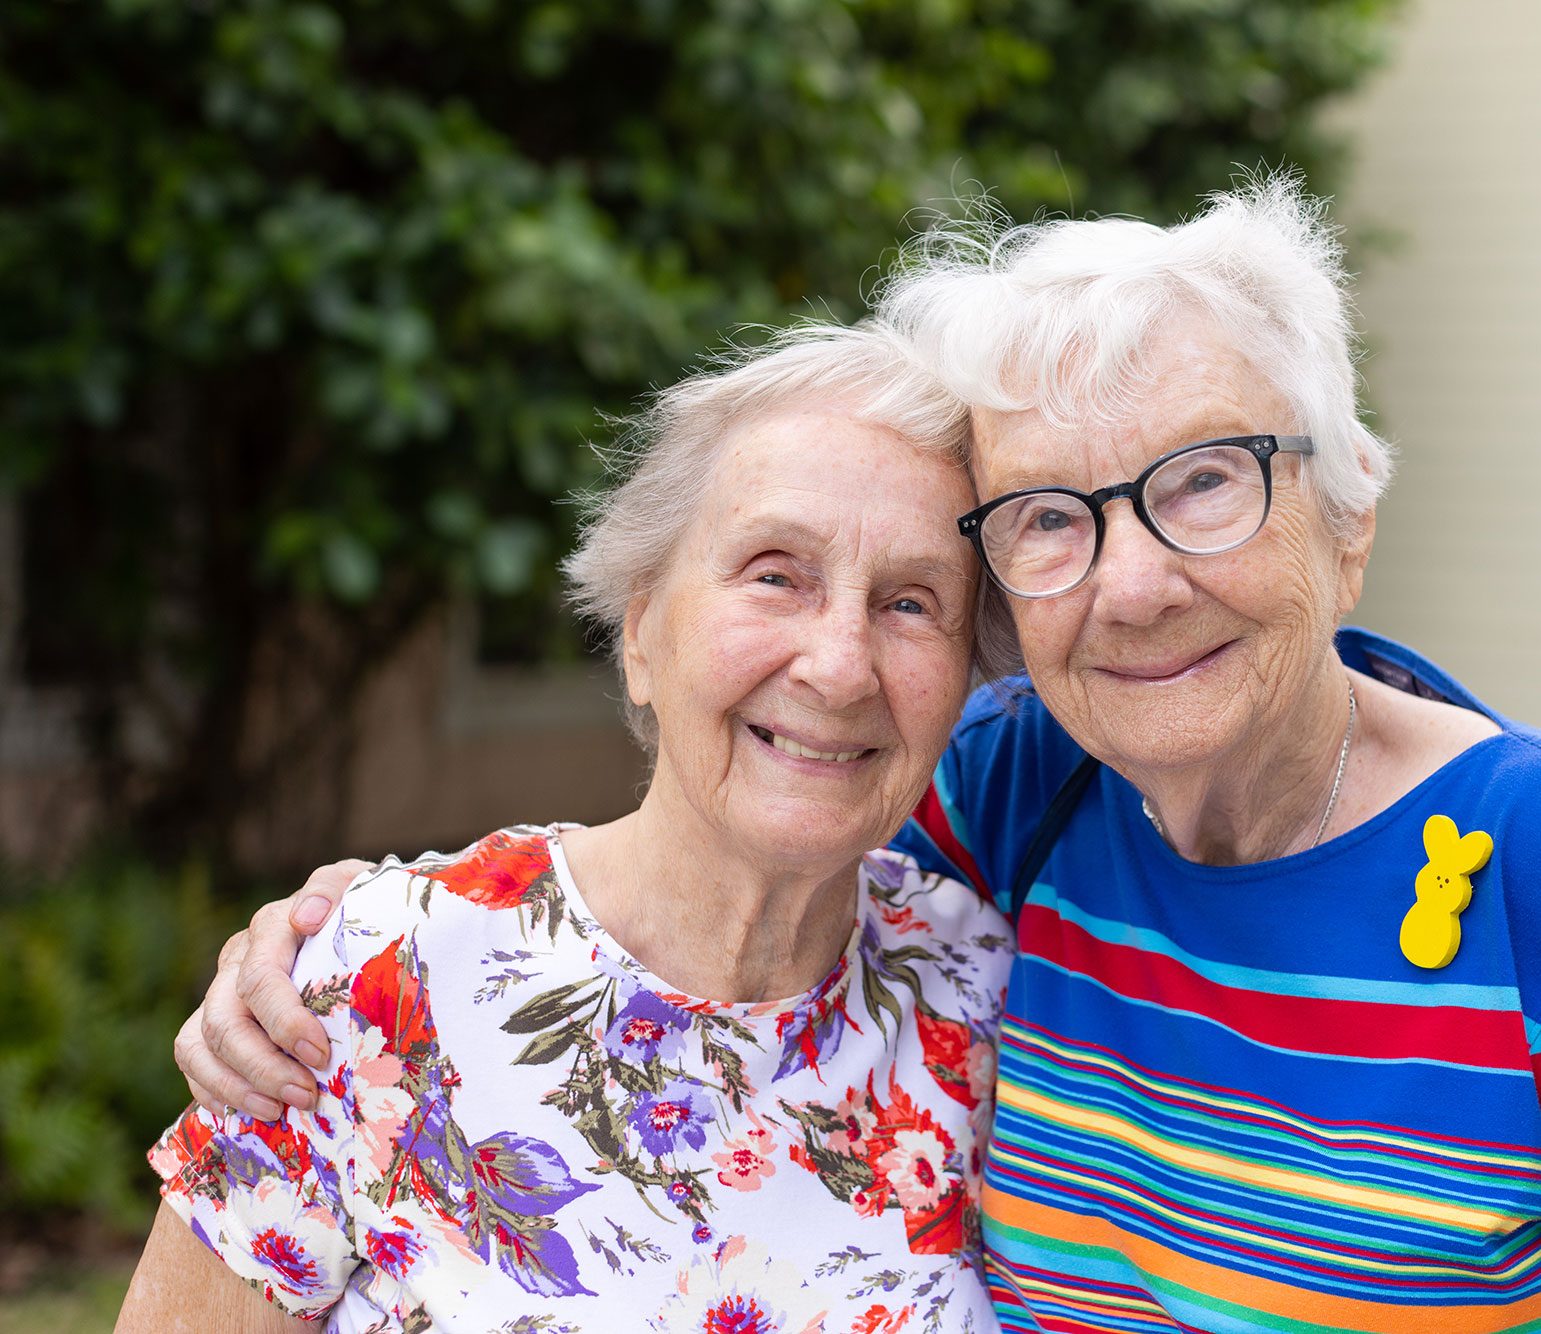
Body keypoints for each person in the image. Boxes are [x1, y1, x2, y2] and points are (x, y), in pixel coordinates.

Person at [183, 176, 1541, 1334]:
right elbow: (717, 883)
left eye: (1205, 479)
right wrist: (359, 929)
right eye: (1051, 519)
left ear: (1346, 517)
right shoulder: (1023, 798)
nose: (1132, 578)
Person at [119, 326, 1016, 1332]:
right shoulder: (377, 976)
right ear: (640, 632)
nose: (841, 664)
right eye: (775, 574)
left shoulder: (981, 990)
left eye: (910, 601)